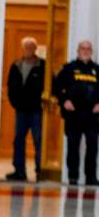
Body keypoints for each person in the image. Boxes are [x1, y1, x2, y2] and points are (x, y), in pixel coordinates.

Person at [54, 40, 99, 186]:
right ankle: (73, 176)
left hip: (92, 115)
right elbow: (56, 87)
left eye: (88, 49)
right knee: (73, 146)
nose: (85, 51)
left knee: (92, 146)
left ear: (91, 52)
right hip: (73, 115)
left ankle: (91, 177)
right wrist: (64, 101)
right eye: (83, 48)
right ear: (77, 50)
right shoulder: (68, 68)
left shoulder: (97, 69)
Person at [6, 37, 45, 181]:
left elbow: (49, 85)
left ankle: (40, 170)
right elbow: (10, 86)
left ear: (35, 49)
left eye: (31, 47)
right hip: (21, 110)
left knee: (38, 139)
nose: (28, 49)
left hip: (36, 110)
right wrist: (14, 103)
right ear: (22, 48)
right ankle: (19, 170)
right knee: (18, 139)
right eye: (26, 47)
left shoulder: (43, 66)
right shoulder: (16, 65)